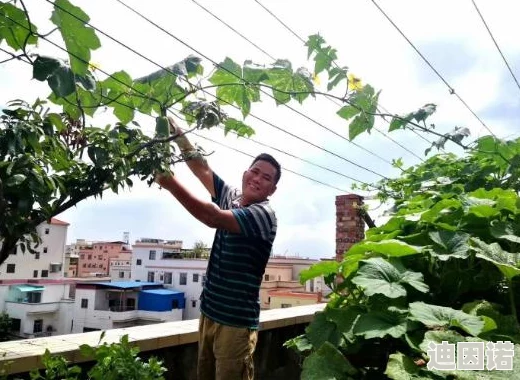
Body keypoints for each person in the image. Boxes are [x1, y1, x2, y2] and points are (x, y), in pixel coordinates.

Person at [154, 117, 281, 380]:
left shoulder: (263, 215)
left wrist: (169, 182)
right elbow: (203, 169)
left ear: (273, 189)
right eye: (254, 171)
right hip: (209, 312)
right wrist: (177, 133)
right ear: (245, 172)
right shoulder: (231, 197)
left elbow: (213, 217)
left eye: (266, 178)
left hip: (236, 324)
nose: (257, 179)